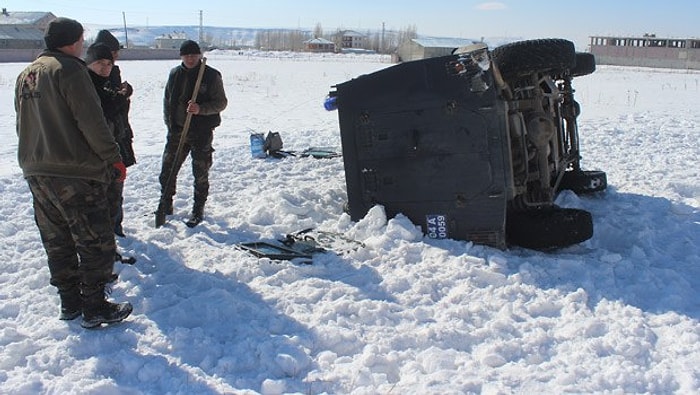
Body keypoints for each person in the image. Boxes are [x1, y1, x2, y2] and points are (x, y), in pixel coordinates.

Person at [14, 17, 132, 329]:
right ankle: (94, 306)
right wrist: (113, 158)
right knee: (96, 241)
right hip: (74, 173)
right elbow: (91, 121)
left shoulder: (27, 74)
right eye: (82, 39)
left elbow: (21, 122)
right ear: (74, 41)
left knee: (57, 240)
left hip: (36, 170)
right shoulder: (70, 70)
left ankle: (70, 303)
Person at [158, 39, 227, 227]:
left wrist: (200, 109)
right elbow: (167, 101)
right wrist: (170, 125)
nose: (190, 58)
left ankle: (198, 209)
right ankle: (165, 205)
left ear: (200, 55)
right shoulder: (175, 74)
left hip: (201, 132)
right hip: (177, 132)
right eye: (186, 55)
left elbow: (221, 103)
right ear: (181, 56)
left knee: (200, 173)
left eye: (193, 55)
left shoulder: (211, 75)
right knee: (167, 172)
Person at [94, 30, 136, 238]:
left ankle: (115, 227)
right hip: (105, 142)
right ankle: (110, 232)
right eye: (112, 53)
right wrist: (122, 96)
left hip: (118, 135)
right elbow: (107, 107)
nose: (115, 57)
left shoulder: (112, 71)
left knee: (116, 188)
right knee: (108, 190)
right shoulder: (91, 77)